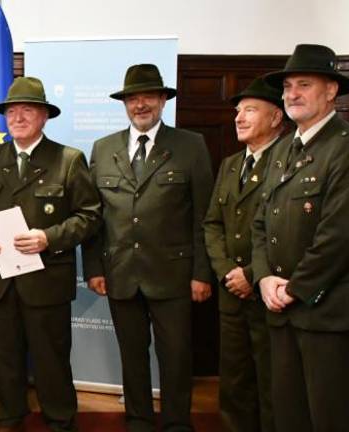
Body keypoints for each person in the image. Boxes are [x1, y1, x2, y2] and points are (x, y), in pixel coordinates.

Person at [82, 64, 214, 432]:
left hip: (174, 274)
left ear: (162, 100)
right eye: (132, 98)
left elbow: (204, 216)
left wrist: (202, 273)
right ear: (125, 104)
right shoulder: (103, 148)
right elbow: (93, 216)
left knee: (176, 355)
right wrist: (94, 268)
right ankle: (138, 419)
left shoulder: (190, 145)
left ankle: (176, 422)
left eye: (148, 97)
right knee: (132, 354)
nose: (140, 104)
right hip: (120, 274)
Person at [0, 76, 101, 432]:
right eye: (11, 111)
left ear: (44, 116)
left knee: (51, 360)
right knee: (6, 359)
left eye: (27, 110)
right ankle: (10, 418)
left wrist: (49, 237)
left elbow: (90, 216)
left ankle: (60, 421)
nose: (17, 118)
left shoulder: (68, 160)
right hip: (2, 280)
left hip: (47, 282)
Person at [251, 43, 349, 432]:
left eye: (304, 85)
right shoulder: (283, 150)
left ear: (331, 90)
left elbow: (338, 236)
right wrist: (264, 278)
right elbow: (261, 223)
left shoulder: (343, 148)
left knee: (328, 417)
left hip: (325, 314)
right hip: (280, 309)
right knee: (288, 416)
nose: (292, 94)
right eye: (288, 86)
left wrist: (295, 288)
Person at [203, 76, 285, 432]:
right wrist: (226, 272)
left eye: (250, 110)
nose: (239, 118)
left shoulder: (289, 160)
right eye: (238, 111)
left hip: (270, 294)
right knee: (234, 382)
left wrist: (251, 274)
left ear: (276, 117)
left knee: (273, 384)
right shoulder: (231, 164)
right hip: (231, 293)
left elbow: (290, 234)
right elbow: (212, 224)